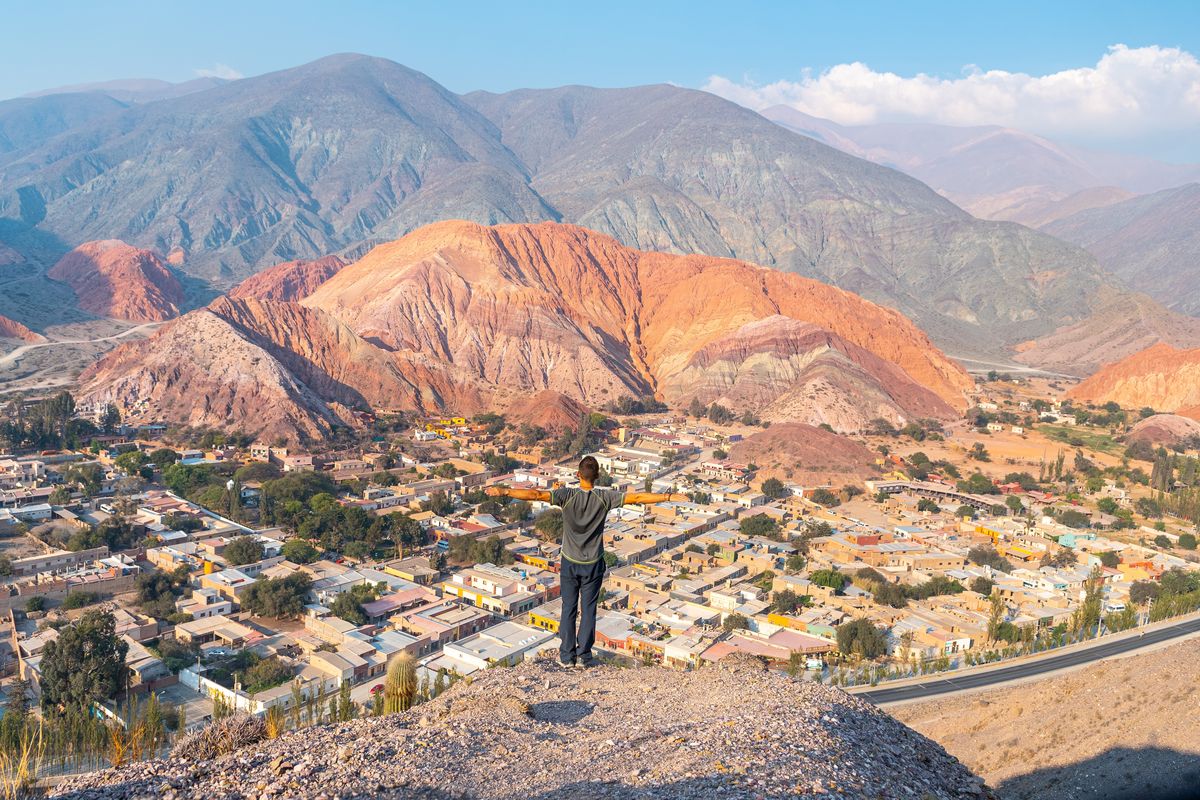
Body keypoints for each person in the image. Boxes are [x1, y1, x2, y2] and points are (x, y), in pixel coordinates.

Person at [486, 455, 686, 667]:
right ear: (597, 476)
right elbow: (636, 499)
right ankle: (584, 656)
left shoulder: (567, 495)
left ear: (578, 475)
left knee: (568, 608)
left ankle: (566, 657)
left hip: (570, 562)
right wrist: (669, 496)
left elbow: (536, 494)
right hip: (593, 563)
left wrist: (505, 491)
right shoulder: (604, 498)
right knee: (589, 609)